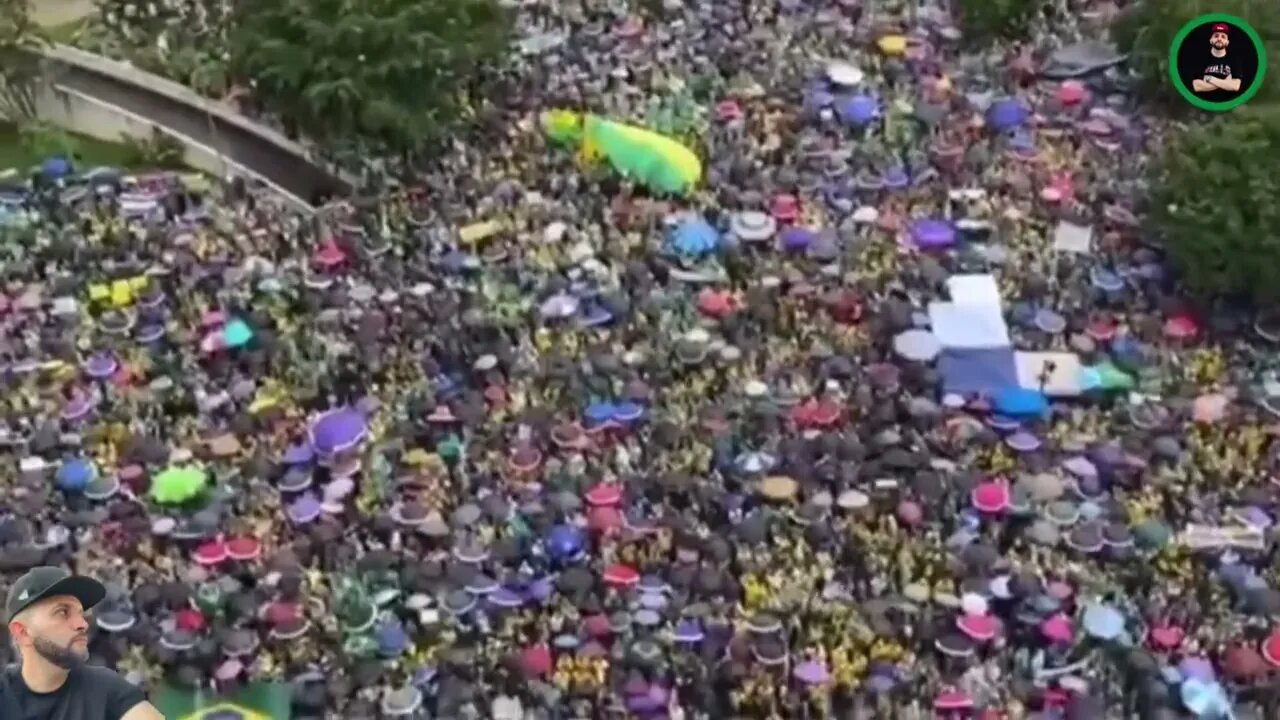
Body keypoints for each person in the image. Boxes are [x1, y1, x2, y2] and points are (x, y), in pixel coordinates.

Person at [2, 567, 165, 720]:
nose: (82, 624)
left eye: (80, 612)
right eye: (63, 612)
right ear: (23, 633)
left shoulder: (106, 688)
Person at [1193, 22, 1243, 95]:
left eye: (1223, 37)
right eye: (1216, 36)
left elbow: (1235, 86)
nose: (1219, 39)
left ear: (1227, 42)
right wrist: (1225, 82)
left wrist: (1209, 78)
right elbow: (1196, 86)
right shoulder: (1201, 58)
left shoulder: (1234, 60)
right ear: (1211, 40)